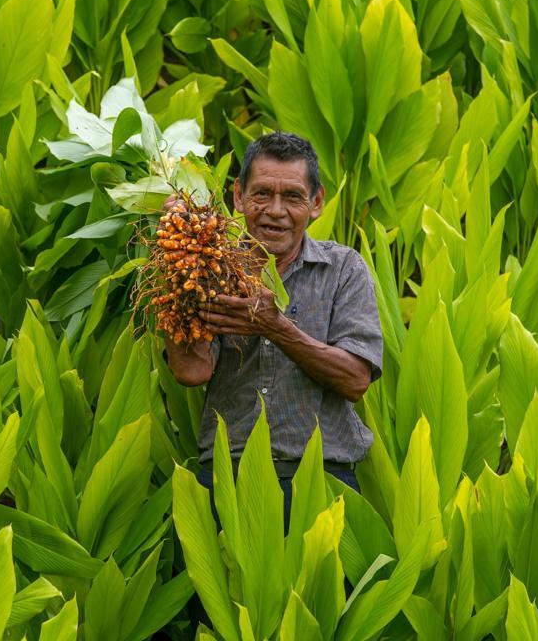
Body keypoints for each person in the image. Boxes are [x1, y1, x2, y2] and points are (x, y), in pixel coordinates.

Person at [163, 131, 383, 528]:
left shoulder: (344, 270)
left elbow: (355, 379)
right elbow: (191, 371)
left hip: (322, 478)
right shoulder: (210, 267)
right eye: (262, 194)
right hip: (228, 478)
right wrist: (178, 258)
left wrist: (276, 327)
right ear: (238, 197)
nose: (275, 211)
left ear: (316, 203)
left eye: (293, 197)